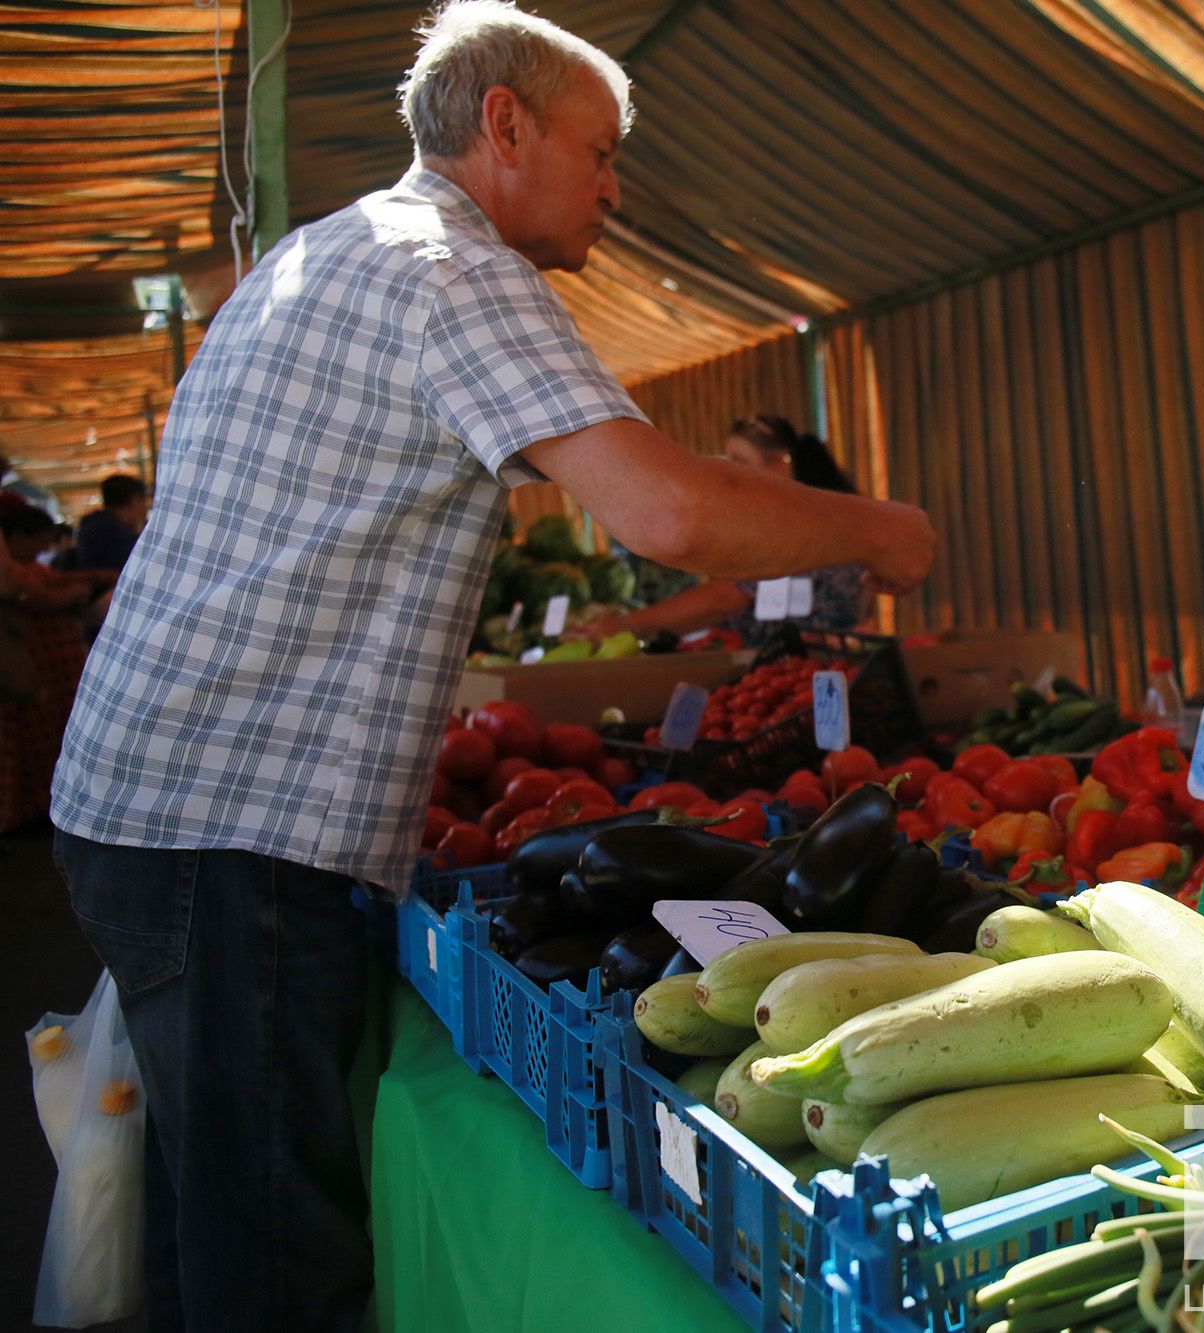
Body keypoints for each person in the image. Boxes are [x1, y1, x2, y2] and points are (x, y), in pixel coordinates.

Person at [48, 3, 934, 1327]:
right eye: (600, 151)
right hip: (230, 829)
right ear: (503, 125)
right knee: (276, 1260)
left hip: (163, 798)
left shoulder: (327, 252)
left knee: (216, 1206)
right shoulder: (447, 265)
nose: (614, 188)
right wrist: (883, 530)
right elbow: (667, 514)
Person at [572, 414, 866, 645]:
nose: (733, 474)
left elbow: (725, 598)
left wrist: (625, 627)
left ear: (781, 464)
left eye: (740, 462)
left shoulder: (802, 525)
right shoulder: (794, 520)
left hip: (813, 666)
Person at [0, 504, 113, 831]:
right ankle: (30, 809)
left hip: (51, 671)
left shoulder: (32, 569)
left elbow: (54, 581)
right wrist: (78, 591)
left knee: (51, 736)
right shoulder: (17, 575)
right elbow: (35, 596)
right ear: (17, 538)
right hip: (34, 670)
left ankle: (43, 803)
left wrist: (90, 578)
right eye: (38, 540)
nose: (44, 549)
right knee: (32, 741)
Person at [72, 472, 149, 573]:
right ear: (135, 501)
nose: (145, 509)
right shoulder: (112, 531)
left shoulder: (92, 523)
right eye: (144, 502)